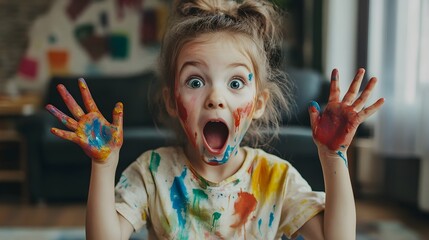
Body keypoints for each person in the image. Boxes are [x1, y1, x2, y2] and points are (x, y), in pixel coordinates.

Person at [46, 0, 385, 239]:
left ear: (258, 104)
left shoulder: (275, 179)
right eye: (195, 81)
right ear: (172, 101)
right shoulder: (151, 172)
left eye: (235, 83)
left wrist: (331, 157)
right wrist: (104, 167)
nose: (215, 97)